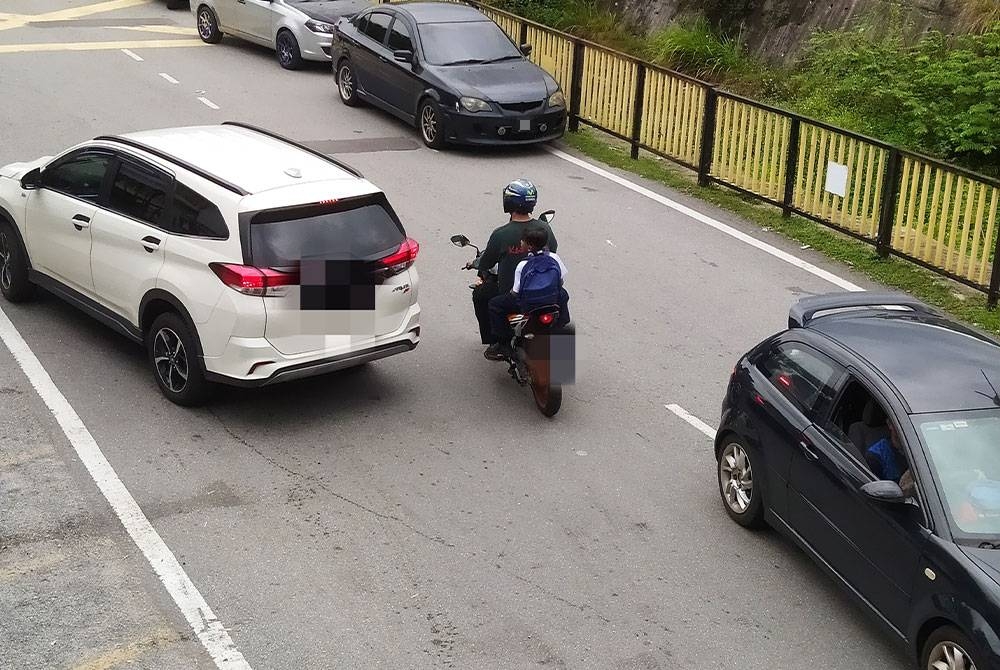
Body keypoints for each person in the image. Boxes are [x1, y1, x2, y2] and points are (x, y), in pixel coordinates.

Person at [472, 178, 558, 351]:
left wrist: (474, 263)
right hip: (546, 294)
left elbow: (487, 261)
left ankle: (498, 342)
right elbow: (554, 250)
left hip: (516, 298)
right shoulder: (544, 228)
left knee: (482, 295)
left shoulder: (501, 234)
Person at [486, 227, 569, 360]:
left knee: (494, 305)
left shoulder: (523, 264)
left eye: (522, 241)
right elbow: (561, 281)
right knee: (563, 294)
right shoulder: (554, 257)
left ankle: (503, 344)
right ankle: (562, 323)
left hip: (528, 306)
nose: (520, 243)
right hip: (552, 303)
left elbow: (515, 292)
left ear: (529, 246)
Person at [865, 423, 916, 497]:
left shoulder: (923, 450)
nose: (906, 429)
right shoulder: (876, 455)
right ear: (889, 424)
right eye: (900, 424)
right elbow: (877, 493)